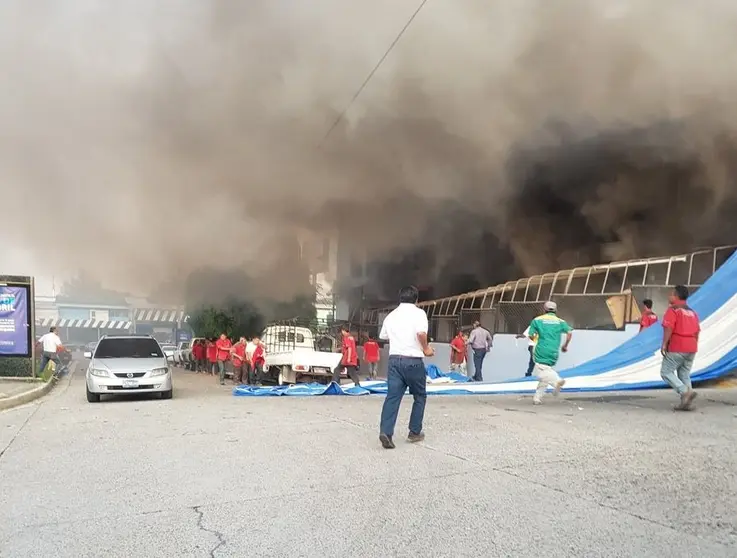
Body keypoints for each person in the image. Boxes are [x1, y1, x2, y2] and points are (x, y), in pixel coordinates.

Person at [378, 286, 434, 449]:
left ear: (399, 298)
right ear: (416, 299)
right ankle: (414, 432)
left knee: (392, 397)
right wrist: (426, 349)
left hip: (394, 361)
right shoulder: (419, 314)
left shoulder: (391, 316)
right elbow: (421, 334)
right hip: (413, 361)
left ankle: (386, 432)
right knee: (420, 396)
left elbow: (383, 336)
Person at [660, 285, 700, 411]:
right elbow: (697, 331)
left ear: (676, 296)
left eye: (671, 294)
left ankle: (684, 391)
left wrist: (664, 343)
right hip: (692, 347)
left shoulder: (673, 310)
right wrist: (693, 345)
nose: (669, 296)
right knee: (684, 374)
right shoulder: (692, 312)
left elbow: (669, 327)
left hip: (678, 345)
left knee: (665, 372)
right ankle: (686, 402)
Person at [527, 301, 572, 405]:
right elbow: (569, 333)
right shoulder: (561, 322)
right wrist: (565, 346)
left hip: (541, 350)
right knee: (545, 372)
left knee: (542, 372)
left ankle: (557, 382)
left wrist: (534, 339)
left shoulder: (537, 320)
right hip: (554, 351)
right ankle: (537, 398)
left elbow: (531, 336)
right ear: (556, 310)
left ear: (544, 309)